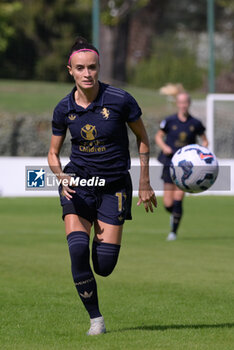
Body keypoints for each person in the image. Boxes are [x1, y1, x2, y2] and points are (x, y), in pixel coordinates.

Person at [48, 37, 157, 335]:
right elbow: (53, 153)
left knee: (105, 266)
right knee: (77, 249)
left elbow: (143, 138)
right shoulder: (63, 109)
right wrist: (60, 176)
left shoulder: (121, 99)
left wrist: (145, 181)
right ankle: (96, 319)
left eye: (92, 67)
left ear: (99, 68)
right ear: (70, 70)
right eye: (80, 68)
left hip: (114, 187)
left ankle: (102, 231)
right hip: (78, 185)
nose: (87, 73)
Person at [155, 92, 208, 241]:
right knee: (168, 203)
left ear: (189, 103)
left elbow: (205, 141)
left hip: (187, 168)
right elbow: (158, 136)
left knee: (178, 199)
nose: (183, 105)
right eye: (181, 102)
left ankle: (173, 232)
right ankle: (174, 214)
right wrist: (164, 147)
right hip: (169, 162)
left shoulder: (195, 123)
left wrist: (200, 155)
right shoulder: (169, 121)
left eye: (185, 102)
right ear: (177, 104)